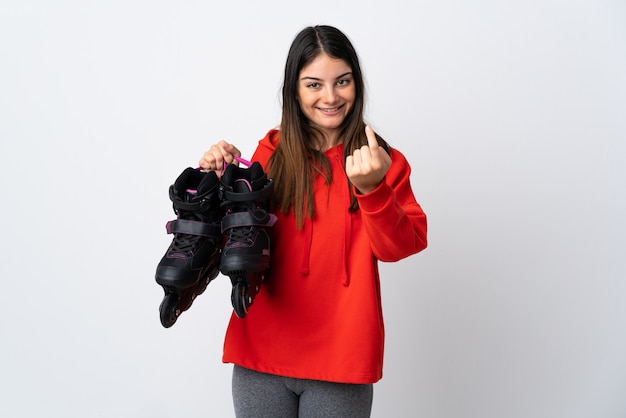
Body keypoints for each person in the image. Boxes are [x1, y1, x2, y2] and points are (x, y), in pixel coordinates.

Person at [199, 25, 427, 418]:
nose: (331, 97)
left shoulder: (381, 161)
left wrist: (372, 189)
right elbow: (237, 240)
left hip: (342, 360)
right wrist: (217, 182)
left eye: (343, 81)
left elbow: (401, 247)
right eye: (314, 84)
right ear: (295, 89)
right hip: (261, 354)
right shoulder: (270, 153)